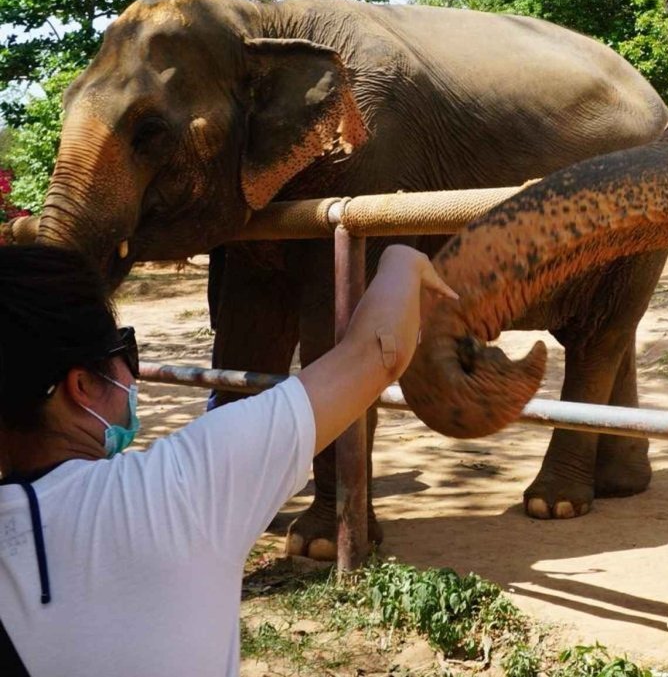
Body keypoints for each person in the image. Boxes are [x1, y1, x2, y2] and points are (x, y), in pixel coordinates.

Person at [0, 242, 457, 676]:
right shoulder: (185, 488)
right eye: (125, 350)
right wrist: (402, 259)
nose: (132, 375)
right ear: (82, 387)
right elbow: (374, 352)